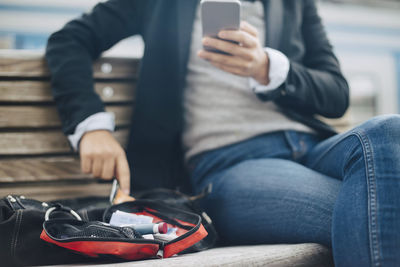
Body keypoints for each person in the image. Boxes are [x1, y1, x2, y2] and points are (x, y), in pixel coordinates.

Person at [46, 0, 400, 266]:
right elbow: (70, 39)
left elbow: (336, 93)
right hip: (233, 164)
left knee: (389, 129)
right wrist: (92, 127)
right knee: (380, 206)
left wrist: (266, 68)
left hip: (312, 147)